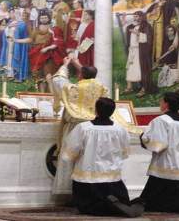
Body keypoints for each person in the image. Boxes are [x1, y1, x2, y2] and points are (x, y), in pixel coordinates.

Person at [61, 97, 144, 217]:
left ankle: (108, 205)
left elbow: (71, 151)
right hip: (112, 179)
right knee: (118, 197)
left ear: (96, 110)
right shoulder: (120, 129)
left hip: (88, 178)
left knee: (87, 206)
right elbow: (124, 152)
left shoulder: (84, 128)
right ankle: (116, 204)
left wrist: (73, 157)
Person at [50, 57, 108, 195]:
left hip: (76, 128)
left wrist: (65, 65)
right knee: (89, 160)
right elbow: (91, 76)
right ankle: (91, 192)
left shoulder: (75, 88)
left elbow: (58, 80)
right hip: (96, 129)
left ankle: (69, 191)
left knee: (71, 158)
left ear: (81, 75)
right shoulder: (102, 88)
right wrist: (79, 65)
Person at [28, 11, 65, 91]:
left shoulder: (53, 28)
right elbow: (31, 39)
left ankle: (52, 94)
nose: (43, 19)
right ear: (39, 19)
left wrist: (48, 48)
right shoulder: (36, 29)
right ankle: (42, 94)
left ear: (48, 18)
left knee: (48, 74)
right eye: (41, 18)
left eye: (45, 17)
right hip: (37, 54)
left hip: (49, 54)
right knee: (40, 76)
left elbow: (58, 41)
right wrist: (16, 40)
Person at [124, 11, 156, 97]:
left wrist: (138, 33)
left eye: (137, 16)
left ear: (142, 17)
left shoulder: (146, 26)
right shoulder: (131, 27)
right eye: (134, 16)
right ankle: (129, 87)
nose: (135, 18)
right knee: (130, 68)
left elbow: (148, 39)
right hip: (132, 51)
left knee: (141, 70)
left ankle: (143, 88)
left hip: (141, 51)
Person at [0, 8, 30, 82]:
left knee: (15, 59)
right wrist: (8, 27)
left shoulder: (22, 23)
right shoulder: (9, 22)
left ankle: (16, 75)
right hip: (9, 44)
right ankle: (9, 75)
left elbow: (22, 33)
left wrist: (15, 28)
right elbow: (5, 33)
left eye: (15, 13)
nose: (13, 15)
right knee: (9, 60)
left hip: (17, 45)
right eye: (11, 13)